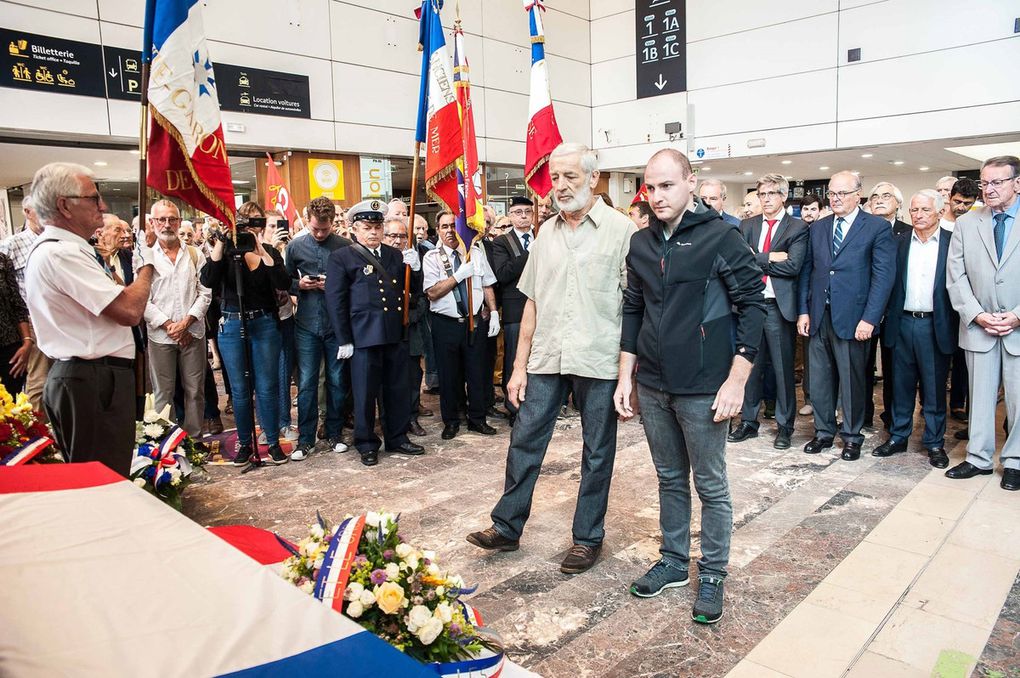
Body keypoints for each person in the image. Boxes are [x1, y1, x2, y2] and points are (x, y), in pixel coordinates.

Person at [466, 142, 637, 576]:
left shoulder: (622, 232)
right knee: (524, 440)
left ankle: (587, 539)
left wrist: (626, 375)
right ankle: (506, 526)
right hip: (546, 356)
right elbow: (533, 303)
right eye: (555, 178)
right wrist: (518, 366)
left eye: (570, 177)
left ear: (593, 179)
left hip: (599, 359)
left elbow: (633, 307)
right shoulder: (545, 234)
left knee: (597, 451)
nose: (559, 187)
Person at [614, 148, 765, 624]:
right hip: (655, 383)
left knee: (711, 483)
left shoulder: (721, 236)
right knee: (669, 477)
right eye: (650, 187)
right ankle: (675, 561)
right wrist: (626, 375)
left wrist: (737, 380)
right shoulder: (640, 245)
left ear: (691, 182)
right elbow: (633, 310)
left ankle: (714, 570)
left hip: (704, 385)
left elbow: (753, 306)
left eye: (667, 185)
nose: (657, 196)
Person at [24, 162, 156, 477]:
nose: (103, 206)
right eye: (93, 198)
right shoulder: (60, 254)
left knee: (109, 475)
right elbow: (129, 310)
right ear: (64, 206)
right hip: (90, 378)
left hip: (93, 376)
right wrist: (147, 264)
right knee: (102, 482)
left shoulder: (71, 250)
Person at [797, 171, 897, 460]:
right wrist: (804, 311)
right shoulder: (818, 227)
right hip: (818, 316)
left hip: (855, 319)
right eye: (832, 193)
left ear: (858, 195)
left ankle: (852, 436)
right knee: (819, 380)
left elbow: (883, 277)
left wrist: (870, 318)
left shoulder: (876, 228)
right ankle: (823, 432)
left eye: (842, 193)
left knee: (852, 381)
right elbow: (809, 271)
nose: (836, 198)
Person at [325, 201, 425, 466]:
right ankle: (367, 442)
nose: (373, 233)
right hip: (363, 335)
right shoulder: (342, 257)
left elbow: (412, 293)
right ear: (354, 230)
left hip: (393, 332)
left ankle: (397, 436)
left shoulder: (394, 255)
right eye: (367, 227)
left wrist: (415, 269)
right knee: (365, 392)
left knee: (396, 389)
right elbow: (336, 301)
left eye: (377, 227)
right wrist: (343, 338)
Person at [946, 155, 1020, 490]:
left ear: (1016, 183)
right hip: (979, 325)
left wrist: (1017, 315)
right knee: (980, 396)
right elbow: (956, 276)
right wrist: (977, 314)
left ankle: (1015, 461)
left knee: (1018, 401)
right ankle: (977, 458)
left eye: (996, 182)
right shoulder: (967, 223)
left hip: (1018, 325)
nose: (988, 189)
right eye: (984, 183)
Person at [201, 201, 290, 467]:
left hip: (263, 323)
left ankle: (272, 442)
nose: (250, 229)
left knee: (267, 386)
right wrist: (223, 240)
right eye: (245, 224)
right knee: (239, 390)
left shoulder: (269, 250)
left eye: (256, 223)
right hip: (231, 324)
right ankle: (244, 443)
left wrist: (261, 247)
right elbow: (208, 279)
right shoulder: (226, 252)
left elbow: (283, 282)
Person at [874, 190, 956, 469]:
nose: (918, 216)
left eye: (925, 210)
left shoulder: (952, 242)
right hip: (902, 322)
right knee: (900, 385)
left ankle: (934, 442)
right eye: (914, 210)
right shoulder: (897, 242)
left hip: (935, 324)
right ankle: (898, 436)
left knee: (933, 388)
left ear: (940, 212)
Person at [728, 174, 807, 450]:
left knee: (783, 370)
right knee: (749, 367)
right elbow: (738, 262)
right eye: (762, 194)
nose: (767, 199)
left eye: (772, 193)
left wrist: (755, 258)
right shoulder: (747, 225)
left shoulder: (797, 227)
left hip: (777, 307)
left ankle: (785, 426)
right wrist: (770, 257)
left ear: (784, 196)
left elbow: (794, 266)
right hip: (750, 306)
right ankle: (748, 422)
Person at [285, 196, 352, 461]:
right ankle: (305, 439)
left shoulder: (346, 246)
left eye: (325, 229)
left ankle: (335, 433)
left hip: (336, 326)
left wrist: (335, 286)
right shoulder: (295, 246)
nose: (321, 233)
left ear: (333, 222)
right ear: (308, 221)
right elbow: (285, 280)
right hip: (306, 324)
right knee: (307, 385)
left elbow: (355, 283)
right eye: (315, 229)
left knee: (337, 382)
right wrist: (298, 286)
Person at [422, 211, 500, 440]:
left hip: (474, 322)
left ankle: (477, 419)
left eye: (453, 226)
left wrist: (493, 311)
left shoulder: (474, 253)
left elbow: (487, 284)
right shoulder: (432, 257)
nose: (449, 231)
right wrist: (457, 276)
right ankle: (452, 421)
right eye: (444, 226)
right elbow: (433, 293)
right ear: (437, 230)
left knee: (477, 373)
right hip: (446, 324)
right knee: (449, 376)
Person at [143, 200, 210, 438]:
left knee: (195, 391)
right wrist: (170, 325)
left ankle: (193, 439)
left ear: (179, 222)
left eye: (172, 219)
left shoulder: (194, 254)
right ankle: (165, 443)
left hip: (192, 332)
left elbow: (205, 292)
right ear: (152, 223)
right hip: (161, 335)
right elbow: (143, 299)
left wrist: (186, 323)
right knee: (164, 392)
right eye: (161, 219)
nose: (167, 224)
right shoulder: (144, 256)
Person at [0, 195, 51, 415]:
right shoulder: (11, 245)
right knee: (38, 382)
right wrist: (27, 336)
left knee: (57, 382)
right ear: (27, 212)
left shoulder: (55, 242)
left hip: (58, 320)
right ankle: (37, 436)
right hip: (32, 322)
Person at [866, 181, 911, 430]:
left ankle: (893, 418)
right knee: (862, 367)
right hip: (864, 310)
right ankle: (862, 416)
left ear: (898, 204)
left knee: (895, 368)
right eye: (875, 196)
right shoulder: (860, 229)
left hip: (896, 311)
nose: (879, 200)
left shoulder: (909, 231)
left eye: (886, 196)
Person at [491, 196, 535, 425]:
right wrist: (531, 252)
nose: (524, 216)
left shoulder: (542, 237)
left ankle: (536, 403)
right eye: (518, 212)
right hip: (516, 309)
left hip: (543, 307)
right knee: (515, 360)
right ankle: (514, 407)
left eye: (528, 211)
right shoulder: (502, 242)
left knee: (538, 359)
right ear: (510, 215)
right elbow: (503, 273)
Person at [382, 217, 428, 436]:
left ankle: (411, 417)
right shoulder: (378, 259)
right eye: (392, 235)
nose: (398, 241)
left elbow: (421, 293)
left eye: (402, 236)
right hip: (386, 326)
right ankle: (388, 419)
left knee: (412, 375)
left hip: (411, 324)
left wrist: (416, 270)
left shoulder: (412, 259)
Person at [945, 178, 980, 422]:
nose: (961, 207)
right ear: (950, 198)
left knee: (962, 359)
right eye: (957, 202)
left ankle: (959, 403)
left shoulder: (975, 225)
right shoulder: (940, 225)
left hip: (967, 303)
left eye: (967, 203)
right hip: (941, 302)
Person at [0, 252, 31, 395]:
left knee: (12, 409)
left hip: (10, 350)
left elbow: (17, 303)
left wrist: (27, 342)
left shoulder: (3, 260)